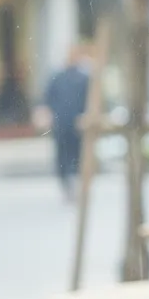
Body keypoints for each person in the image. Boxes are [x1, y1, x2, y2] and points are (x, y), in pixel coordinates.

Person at [40, 46, 92, 201]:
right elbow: (47, 99)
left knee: (77, 155)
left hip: (78, 124)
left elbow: (90, 100)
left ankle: (77, 185)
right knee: (62, 156)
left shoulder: (84, 78)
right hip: (61, 123)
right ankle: (67, 186)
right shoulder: (58, 77)